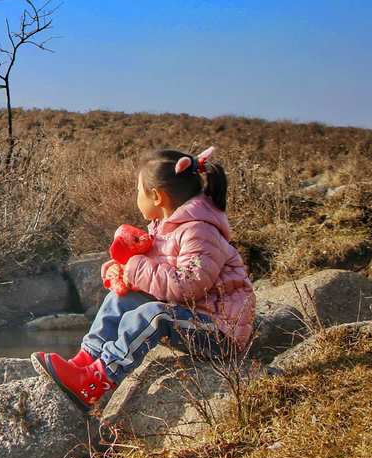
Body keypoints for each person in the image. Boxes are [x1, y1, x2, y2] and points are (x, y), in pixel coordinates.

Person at [32, 147, 254, 410]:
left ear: (157, 196)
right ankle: (85, 360)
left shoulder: (199, 231)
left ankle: (96, 381)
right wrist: (118, 270)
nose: (136, 196)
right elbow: (153, 273)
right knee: (120, 299)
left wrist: (134, 267)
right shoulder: (164, 229)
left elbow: (188, 285)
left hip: (219, 332)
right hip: (190, 317)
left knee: (152, 315)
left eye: (138, 191)